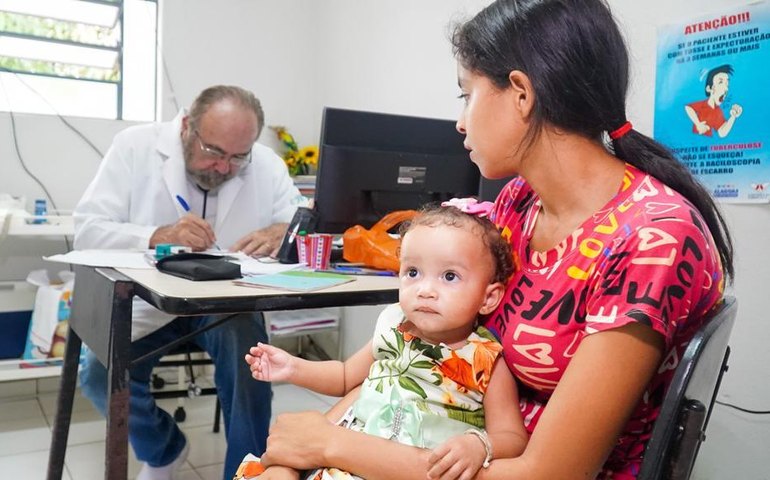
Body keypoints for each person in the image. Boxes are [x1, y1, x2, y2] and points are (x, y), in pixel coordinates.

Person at [256, 1, 734, 479]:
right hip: (446, 449)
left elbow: (550, 474)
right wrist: (323, 442)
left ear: (521, 93)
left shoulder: (653, 238)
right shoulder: (517, 206)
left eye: (467, 95)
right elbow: (413, 362)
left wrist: (333, 446)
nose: (461, 122)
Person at [73, 85, 306, 480]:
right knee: (96, 376)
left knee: (252, 363)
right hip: (148, 304)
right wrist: (156, 234)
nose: (222, 167)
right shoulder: (134, 148)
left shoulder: (264, 163)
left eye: (236, 158)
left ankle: (246, 474)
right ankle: (164, 450)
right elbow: (88, 230)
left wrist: (283, 229)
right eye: (213, 152)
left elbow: (303, 216)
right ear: (186, 126)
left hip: (224, 307)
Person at [244, 203, 528, 480]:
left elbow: (513, 436)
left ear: (488, 297)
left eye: (449, 276)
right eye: (413, 273)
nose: (425, 290)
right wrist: (293, 367)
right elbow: (344, 377)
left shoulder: (486, 359)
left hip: (406, 469)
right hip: (348, 460)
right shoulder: (393, 326)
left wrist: (480, 444)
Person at [685, 64, 743, 138]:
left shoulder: (718, 112)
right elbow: (688, 108)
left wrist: (733, 117)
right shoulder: (703, 104)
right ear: (709, 89)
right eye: (720, 82)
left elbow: (722, 133)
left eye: (727, 84)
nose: (726, 88)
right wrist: (698, 124)